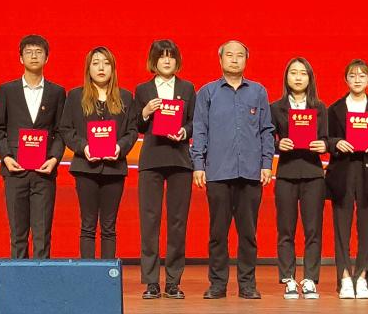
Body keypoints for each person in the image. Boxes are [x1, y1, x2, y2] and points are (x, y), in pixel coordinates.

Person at [191, 40, 275, 300]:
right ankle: (217, 284)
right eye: (229, 55)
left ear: (246, 60)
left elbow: (266, 130)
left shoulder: (258, 91)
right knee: (218, 233)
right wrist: (198, 165)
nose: (235, 59)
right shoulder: (207, 92)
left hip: (250, 172)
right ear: (220, 60)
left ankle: (247, 284)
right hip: (217, 172)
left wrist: (266, 164)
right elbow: (200, 129)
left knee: (248, 234)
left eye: (240, 55)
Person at [0, 34, 66, 259]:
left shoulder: (57, 92)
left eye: (39, 52)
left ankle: (41, 277)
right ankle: (19, 277)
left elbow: (61, 131)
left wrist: (54, 159)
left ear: (47, 58)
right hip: (15, 170)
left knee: (42, 233)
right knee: (18, 233)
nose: (34, 56)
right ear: (20, 58)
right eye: (29, 52)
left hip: (44, 171)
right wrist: (6, 157)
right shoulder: (8, 90)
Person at [60, 46, 138, 259]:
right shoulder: (75, 96)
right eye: (95, 63)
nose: (101, 68)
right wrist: (84, 147)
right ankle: (87, 274)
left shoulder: (125, 97)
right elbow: (66, 129)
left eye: (106, 63)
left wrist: (119, 148)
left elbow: (132, 131)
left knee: (109, 227)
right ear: (88, 69)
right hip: (85, 168)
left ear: (113, 68)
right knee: (87, 225)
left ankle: (107, 274)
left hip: (114, 169)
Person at [133, 40, 197, 299]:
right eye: (161, 56)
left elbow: (194, 121)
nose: (167, 61)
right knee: (149, 221)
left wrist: (184, 131)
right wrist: (145, 112)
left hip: (180, 160)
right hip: (151, 160)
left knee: (178, 221)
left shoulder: (187, 88)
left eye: (171, 56)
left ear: (177, 60)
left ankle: (173, 281)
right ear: (154, 61)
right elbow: (136, 125)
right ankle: (151, 281)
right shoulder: (142, 89)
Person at [325, 59, 368, 300]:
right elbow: (326, 138)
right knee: (341, 229)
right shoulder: (334, 109)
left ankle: (362, 276)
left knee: (367, 229)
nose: (357, 79)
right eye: (352, 75)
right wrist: (336, 143)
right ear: (346, 79)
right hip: (342, 172)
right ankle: (344, 277)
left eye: (362, 75)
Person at [271, 57, 328, 300]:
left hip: (313, 174)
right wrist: (278, 144)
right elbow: (268, 138)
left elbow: (327, 138)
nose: (298, 77)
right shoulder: (276, 108)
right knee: (286, 229)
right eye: (293, 72)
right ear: (286, 77)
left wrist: (324, 145)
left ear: (309, 78)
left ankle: (310, 279)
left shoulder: (320, 107)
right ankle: (289, 279)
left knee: (313, 229)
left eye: (303, 73)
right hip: (286, 172)